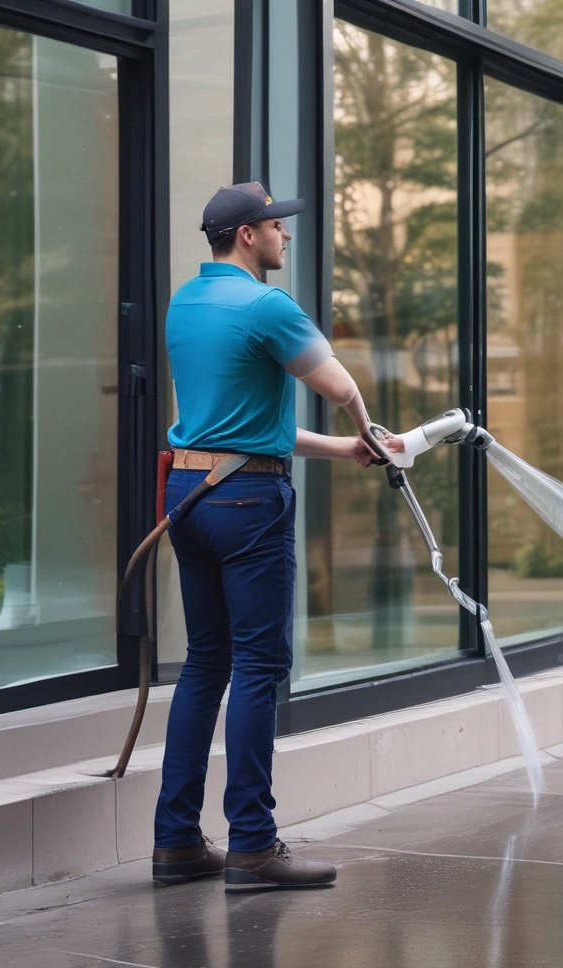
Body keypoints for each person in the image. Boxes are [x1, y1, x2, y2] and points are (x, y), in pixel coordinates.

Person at [152, 181, 397, 892]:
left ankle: (175, 842)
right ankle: (253, 846)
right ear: (247, 236)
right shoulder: (267, 305)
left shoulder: (187, 304)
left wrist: (340, 451)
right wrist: (366, 430)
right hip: (249, 501)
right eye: (276, 226)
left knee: (205, 665)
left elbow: (247, 425)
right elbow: (342, 385)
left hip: (189, 497)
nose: (286, 236)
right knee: (260, 667)